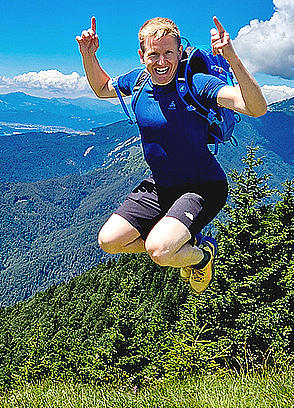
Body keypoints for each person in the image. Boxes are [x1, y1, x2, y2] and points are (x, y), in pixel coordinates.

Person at [76, 16, 267, 294]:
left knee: (159, 250)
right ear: (142, 56)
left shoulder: (198, 84)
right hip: (161, 186)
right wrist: (88, 55)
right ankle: (182, 242)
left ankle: (202, 256)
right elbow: (102, 89)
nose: (161, 61)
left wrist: (232, 59)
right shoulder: (139, 81)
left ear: (179, 52)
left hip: (203, 187)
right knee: (109, 241)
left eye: (168, 53)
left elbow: (256, 107)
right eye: (153, 54)